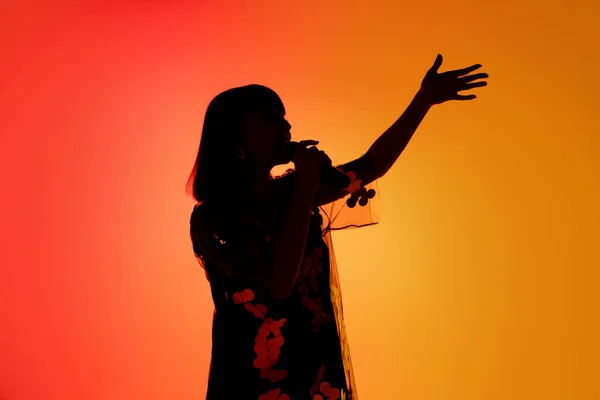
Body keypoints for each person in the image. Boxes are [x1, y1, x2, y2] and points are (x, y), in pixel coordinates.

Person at [187, 54, 488, 400]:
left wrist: (423, 101)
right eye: (270, 120)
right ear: (234, 138)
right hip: (253, 386)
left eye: (285, 120)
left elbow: (370, 166)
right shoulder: (213, 219)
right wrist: (306, 188)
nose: (285, 129)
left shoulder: (292, 190)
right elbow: (278, 284)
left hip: (315, 376)